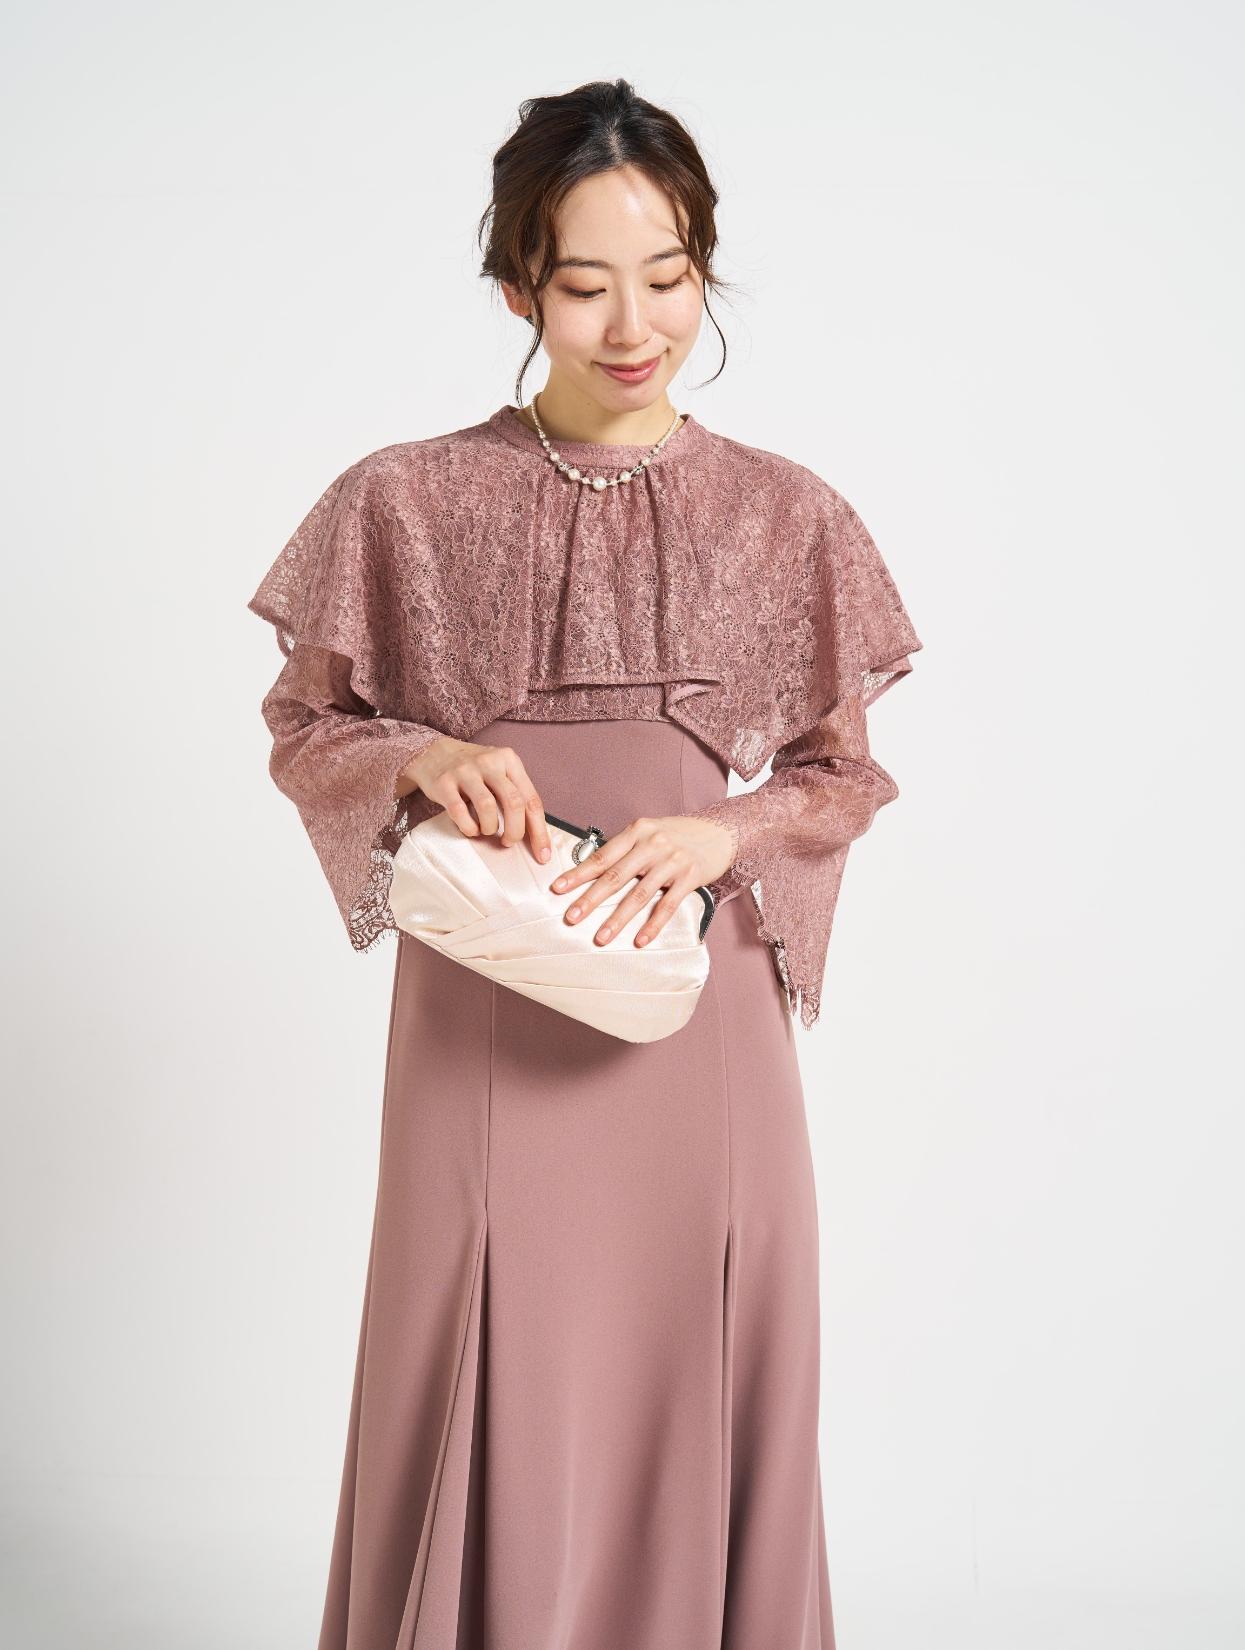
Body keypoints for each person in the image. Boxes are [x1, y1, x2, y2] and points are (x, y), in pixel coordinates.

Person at [247, 77, 922, 1650]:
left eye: (669, 276)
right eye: (584, 284)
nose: (634, 325)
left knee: (709, 1345)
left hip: (700, 1006)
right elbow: (304, 725)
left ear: (704, 269)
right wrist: (419, 757)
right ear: (516, 288)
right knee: (481, 1338)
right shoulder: (405, 499)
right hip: (487, 999)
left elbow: (841, 775)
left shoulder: (785, 514)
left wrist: (724, 832)